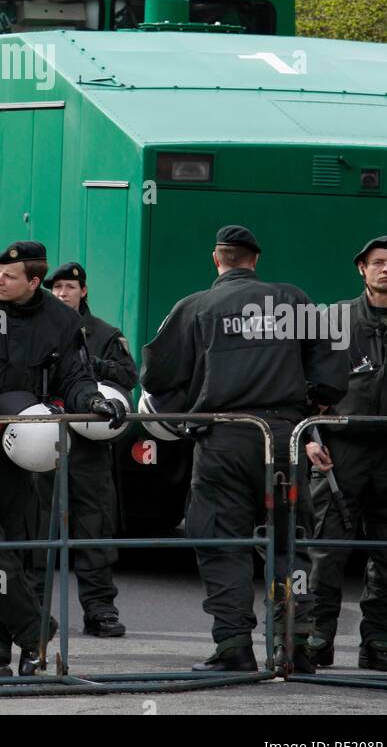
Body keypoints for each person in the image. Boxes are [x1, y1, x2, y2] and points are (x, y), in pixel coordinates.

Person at [142, 225, 349, 675]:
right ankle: (294, 644)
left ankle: (234, 644)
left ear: (217, 261)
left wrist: (191, 416)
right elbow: (336, 358)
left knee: (222, 542)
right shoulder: (293, 299)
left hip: (225, 438)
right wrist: (311, 401)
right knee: (286, 540)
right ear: (255, 261)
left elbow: (155, 378)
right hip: (285, 438)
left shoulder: (195, 306)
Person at [0, 240, 123, 678]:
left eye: (10, 275)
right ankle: (34, 630)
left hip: (27, 445)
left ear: (34, 282)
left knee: (22, 550)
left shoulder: (61, 319)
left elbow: (74, 375)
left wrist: (94, 400)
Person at [306, 235, 387, 672]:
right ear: (362, 268)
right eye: (378, 263)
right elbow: (305, 386)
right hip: (341, 453)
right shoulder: (333, 320)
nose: (386, 270)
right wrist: (310, 439)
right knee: (327, 550)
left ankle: (379, 642)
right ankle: (317, 638)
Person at [40, 261, 137, 637]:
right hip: (42, 444)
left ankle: (100, 611)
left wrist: (92, 365)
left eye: (69, 287)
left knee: (94, 529)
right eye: (57, 287)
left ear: (84, 291)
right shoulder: (37, 327)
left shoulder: (104, 334)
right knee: (37, 531)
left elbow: (129, 376)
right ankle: (34, 612)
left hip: (89, 448)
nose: (62, 293)